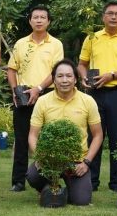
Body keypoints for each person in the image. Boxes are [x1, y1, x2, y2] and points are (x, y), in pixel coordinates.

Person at [78, 1, 117, 192]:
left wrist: (111, 75)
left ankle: (116, 182)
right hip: (94, 93)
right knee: (93, 136)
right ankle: (92, 180)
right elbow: (82, 64)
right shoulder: (92, 38)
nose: (113, 17)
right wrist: (82, 78)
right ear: (103, 17)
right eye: (110, 13)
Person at [27, 60, 104, 206]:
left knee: (81, 200)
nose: (64, 80)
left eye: (69, 76)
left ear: (75, 79)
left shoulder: (88, 101)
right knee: (33, 175)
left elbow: (98, 135)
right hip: (49, 159)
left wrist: (86, 162)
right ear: (54, 80)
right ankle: (47, 188)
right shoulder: (43, 101)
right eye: (60, 76)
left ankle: (68, 189)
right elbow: (32, 135)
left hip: (76, 162)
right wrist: (39, 158)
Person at [6, 5, 63, 192]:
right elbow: (12, 69)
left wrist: (38, 89)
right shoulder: (21, 44)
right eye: (35, 17)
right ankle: (18, 180)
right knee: (21, 138)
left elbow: (56, 72)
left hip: (47, 94)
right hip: (23, 95)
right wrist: (15, 91)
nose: (39, 20)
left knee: (47, 138)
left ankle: (46, 176)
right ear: (30, 21)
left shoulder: (56, 44)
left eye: (43, 17)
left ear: (49, 21)